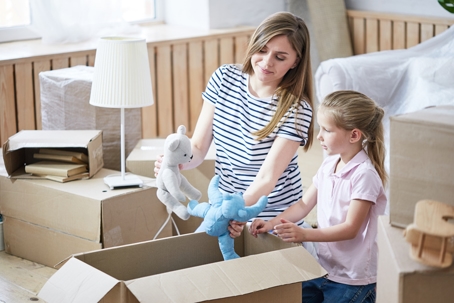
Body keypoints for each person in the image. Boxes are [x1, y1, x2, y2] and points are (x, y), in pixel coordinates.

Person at [154, 12, 317, 254]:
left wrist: (235, 211)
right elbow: (198, 148)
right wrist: (177, 164)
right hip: (226, 212)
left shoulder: (297, 109)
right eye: (262, 50)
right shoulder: (224, 78)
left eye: (280, 57)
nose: (266, 62)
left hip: (272, 220)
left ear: (294, 62)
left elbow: (266, 179)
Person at [249, 90, 387, 303]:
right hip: (324, 267)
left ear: (354, 135)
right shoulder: (329, 163)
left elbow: (351, 229)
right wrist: (270, 224)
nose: (319, 135)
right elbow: (304, 205)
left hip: (353, 279)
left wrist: (304, 234)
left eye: (327, 130)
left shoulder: (364, 175)